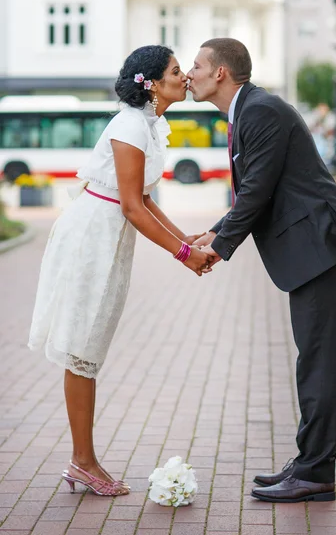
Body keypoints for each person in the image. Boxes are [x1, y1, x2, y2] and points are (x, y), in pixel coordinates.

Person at [28, 45, 213, 497]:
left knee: (88, 344)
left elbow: (146, 200)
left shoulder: (150, 124)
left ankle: (83, 459)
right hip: (93, 237)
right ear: (151, 83)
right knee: (81, 347)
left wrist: (184, 238)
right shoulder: (130, 124)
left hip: (109, 235)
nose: (185, 76)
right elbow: (130, 205)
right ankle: (82, 462)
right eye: (176, 70)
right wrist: (182, 255)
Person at [188, 38, 336, 503]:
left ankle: (315, 472)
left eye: (197, 65)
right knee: (313, 361)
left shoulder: (261, 110)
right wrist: (214, 232)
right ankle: (310, 461)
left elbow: (256, 192)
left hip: (320, 245)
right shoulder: (249, 110)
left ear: (221, 73)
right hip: (311, 247)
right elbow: (255, 190)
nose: (190, 73)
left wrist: (219, 248)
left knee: (318, 364)